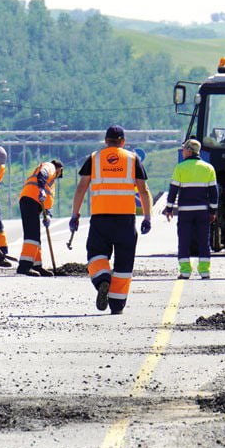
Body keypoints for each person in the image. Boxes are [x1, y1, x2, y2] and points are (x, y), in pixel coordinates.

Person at [69, 125, 152, 315]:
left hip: (100, 218)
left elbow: (81, 187)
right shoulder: (132, 159)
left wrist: (75, 214)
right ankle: (117, 304)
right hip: (126, 219)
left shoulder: (94, 158)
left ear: (106, 141)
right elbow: (143, 190)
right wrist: (147, 217)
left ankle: (102, 279)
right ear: (123, 141)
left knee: (96, 254)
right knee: (124, 261)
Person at [163, 138, 218, 279]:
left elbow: (173, 189)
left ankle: (185, 271)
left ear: (189, 150)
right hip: (202, 212)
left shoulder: (180, 168)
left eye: (184, 149)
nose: (182, 152)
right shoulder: (208, 168)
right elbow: (213, 193)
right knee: (203, 241)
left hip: (185, 212)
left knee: (184, 241)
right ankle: (205, 272)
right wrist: (213, 211)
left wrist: (169, 208)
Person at [17, 159, 64, 277]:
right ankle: (24, 266)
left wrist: (48, 215)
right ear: (59, 170)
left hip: (35, 203)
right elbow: (42, 174)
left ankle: (36, 265)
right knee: (32, 235)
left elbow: (49, 201)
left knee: (36, 236)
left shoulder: (51, 182)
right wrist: (41, 189)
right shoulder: (50, 167)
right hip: (30, 199)